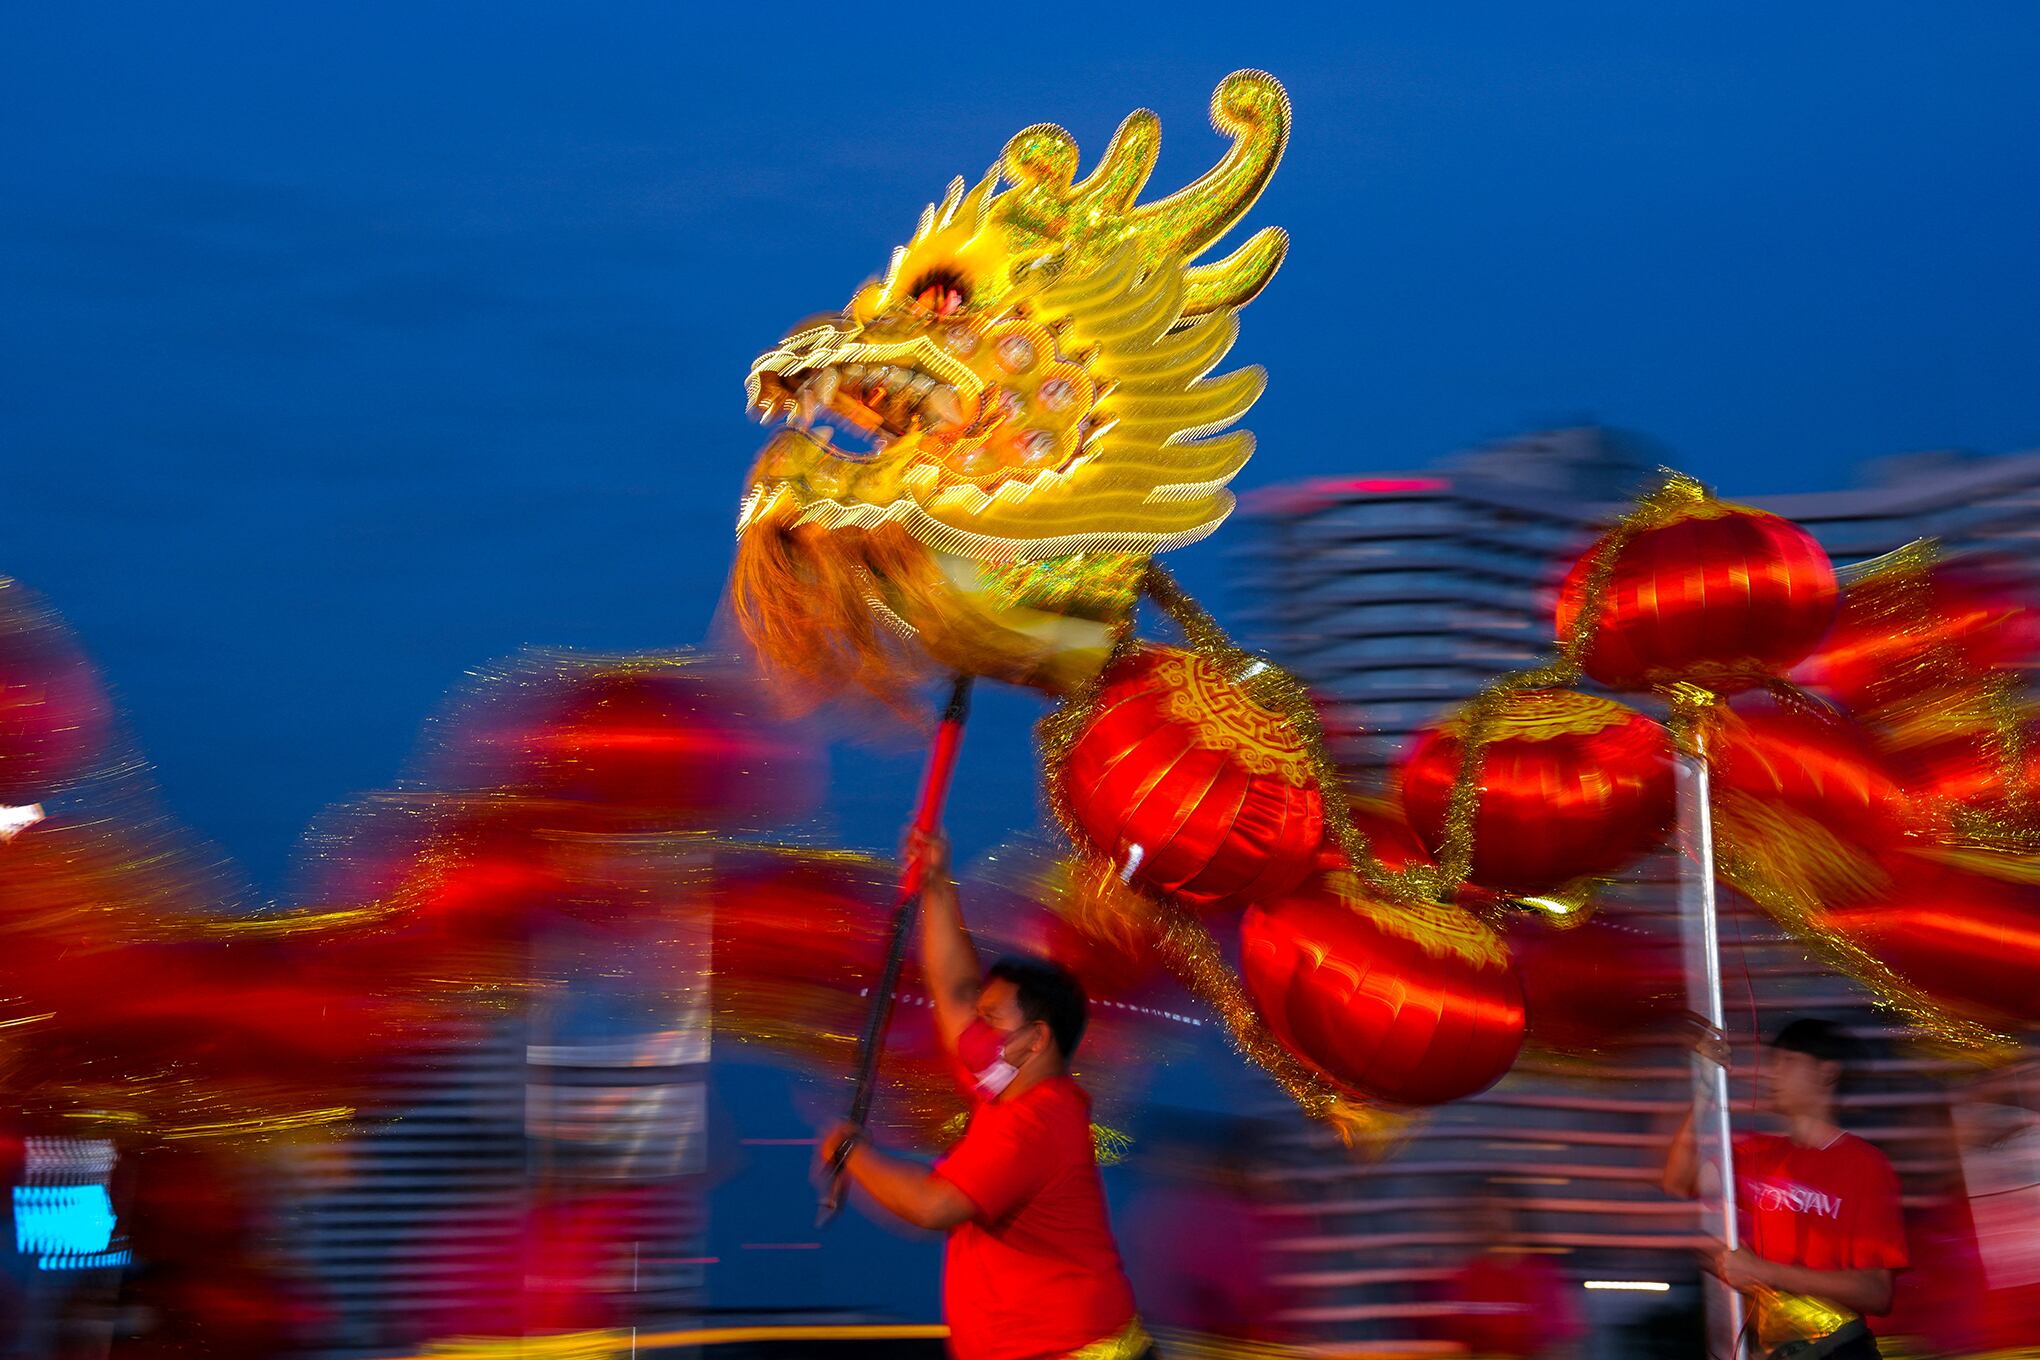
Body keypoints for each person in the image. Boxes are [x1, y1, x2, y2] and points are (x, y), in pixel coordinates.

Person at [818, 830, 1147, 1360]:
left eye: (991, 1018)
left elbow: (934, 1206)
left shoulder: (1037, 1123)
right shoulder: (1005, 1087)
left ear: (1035, 1040)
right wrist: (936, 886)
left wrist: (853, 1155)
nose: (975, 1027)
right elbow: (953, 987)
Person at [1663, 1018, 1908, 1360]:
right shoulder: (1759, 1154)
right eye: (1774, 1063)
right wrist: (1706, 1085)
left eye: (1788, 1062)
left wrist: (1765, 1272)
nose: (1772, 1074)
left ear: (1827, 1072)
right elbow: (1679, 1178)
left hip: (1838, 1350)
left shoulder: (1865, 1165)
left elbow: (1875, 1292)